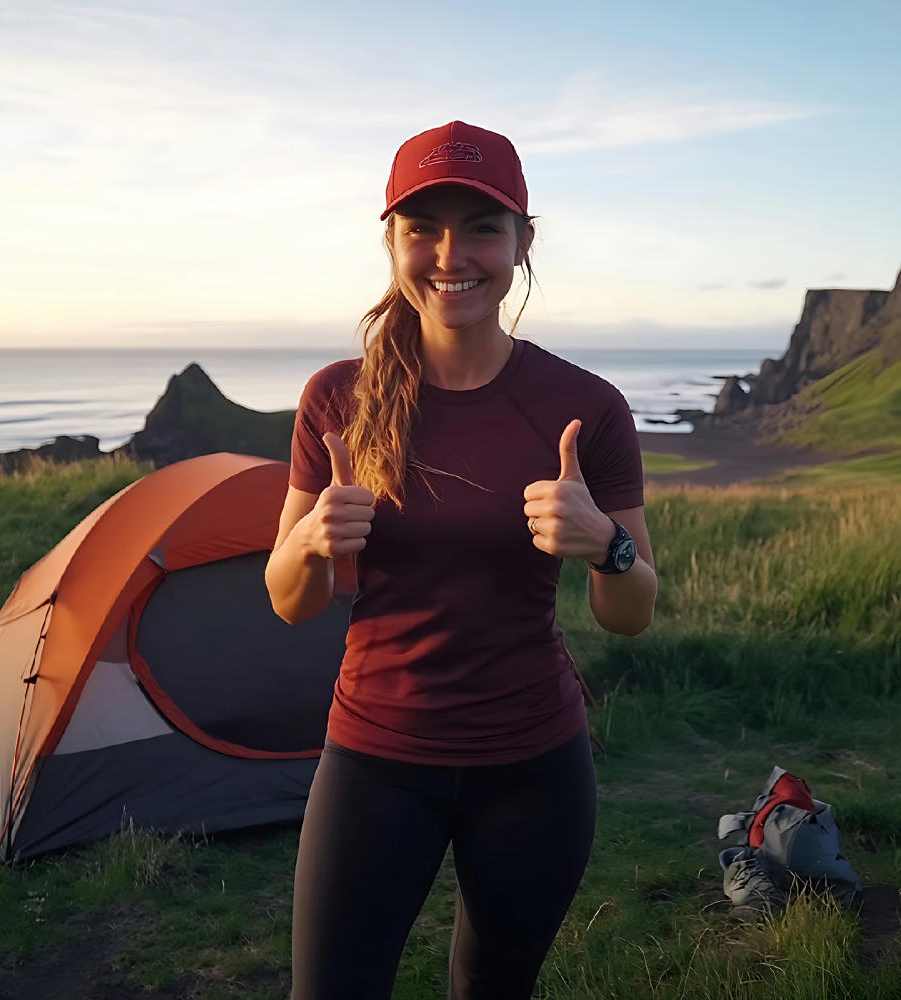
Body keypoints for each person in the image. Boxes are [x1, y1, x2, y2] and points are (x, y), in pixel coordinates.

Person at [265, 120, 658, 1000]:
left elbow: (631, 614)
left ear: (523, 242)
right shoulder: (336, 398)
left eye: (482, 227)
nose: (452, 256)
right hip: (374, 753)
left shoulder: (587, 407)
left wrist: (606, 545)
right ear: (392, 243)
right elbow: (289, 600)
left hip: (534, 763)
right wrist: (311, 540)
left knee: (493, 988)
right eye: (424, 229)